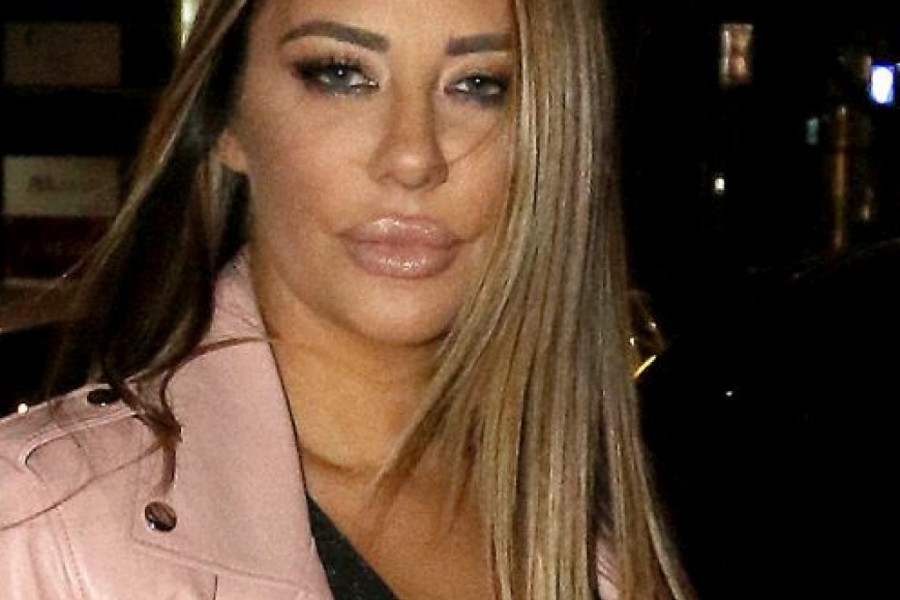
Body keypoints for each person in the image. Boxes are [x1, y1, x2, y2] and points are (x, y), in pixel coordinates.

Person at [0, 0, 693, 599]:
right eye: (340, 74)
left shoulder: (601, 540)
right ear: (229, 115)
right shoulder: (37, 522)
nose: (413, 157)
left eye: (480, 84)